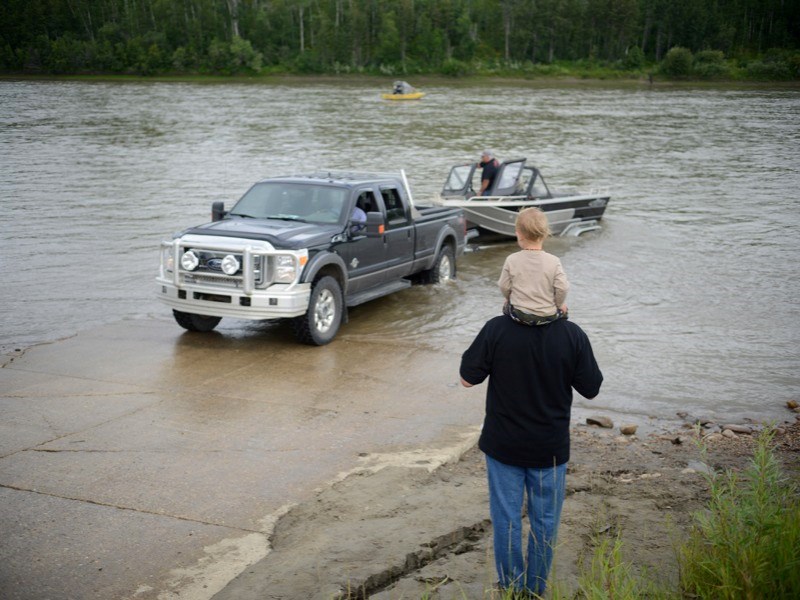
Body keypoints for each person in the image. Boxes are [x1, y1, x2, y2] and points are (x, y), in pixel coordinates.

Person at [459, 311, 603, 597]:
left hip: (504, 445)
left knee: (507, 519)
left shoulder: (496, 329)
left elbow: (467, 378)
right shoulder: (572, 334)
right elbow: (591, 388)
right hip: (549, 448)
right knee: (545, 520)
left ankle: (511, 588)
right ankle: (535, 590)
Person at [499, 207, 569, 326]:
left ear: (519, 235)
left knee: (506, 307)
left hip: (518, 315)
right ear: (545, 234)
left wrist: (508, 298)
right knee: (565, 313)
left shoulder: (511, 260)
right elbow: (562, 288)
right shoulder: (554, 261)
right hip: (547, 317)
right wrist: (559, 304)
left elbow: (503, 285)